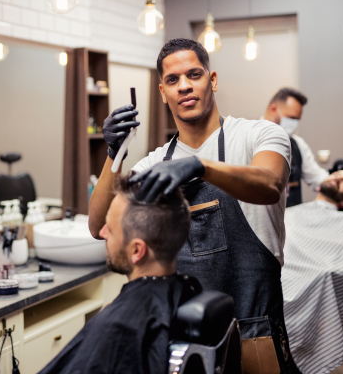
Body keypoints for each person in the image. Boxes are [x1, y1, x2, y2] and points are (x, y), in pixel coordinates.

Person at [89, 38, 299, 373]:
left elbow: (270, 184)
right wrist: (114, 153)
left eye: (194, 75)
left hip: (255, 337)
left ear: (212, 80)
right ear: (162, 91)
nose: (184, 86)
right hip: (186, 344)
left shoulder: (259, 135)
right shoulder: (155, 163)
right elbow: (99, 225)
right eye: (173, 80)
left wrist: (202, 166)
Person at [39, 177, 202, 374]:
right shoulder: (188, 291)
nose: (102, 232)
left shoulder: (119, 326)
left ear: (136, 251)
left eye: (111, 228)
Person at [281, 170, 343, 374]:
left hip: (317, 286)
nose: (337, 177)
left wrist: (322, 273)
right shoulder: (290, 212)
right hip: (281, 279)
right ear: (319, 185)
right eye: (335, 174)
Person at [263, 88, 328, 207]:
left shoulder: (298, 144)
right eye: (292, 118)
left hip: (293, 220)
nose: (294, 123)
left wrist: (338, 180)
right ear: (273, 109)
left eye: (297, 120)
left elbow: (316, 177)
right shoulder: (248, 137)